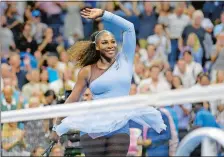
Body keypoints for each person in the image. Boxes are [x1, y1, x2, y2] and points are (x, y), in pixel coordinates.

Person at [51, 8, 166, 157]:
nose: (111, 45)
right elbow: (72, 99)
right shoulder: (87, 71)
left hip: (119, 125)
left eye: (112, 41)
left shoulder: (125, 60)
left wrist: (105, 15)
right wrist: (56, 127)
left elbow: (129, 27)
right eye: (105, 42)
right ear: (97, 47)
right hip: (93, 125)